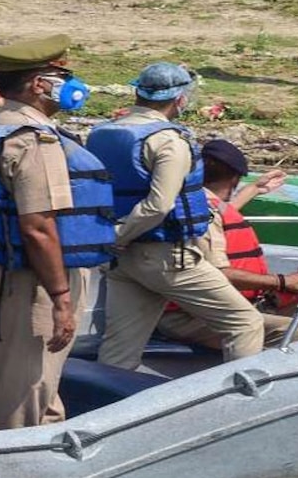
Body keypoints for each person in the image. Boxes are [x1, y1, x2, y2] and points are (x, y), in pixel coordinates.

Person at [0, 36, 116, 431]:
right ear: (39, 85)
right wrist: (62, 299)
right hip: (33, 284)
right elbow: (39, 227)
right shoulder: (34, 141)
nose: (71, 83)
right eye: (62, 75)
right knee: (24, 395)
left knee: (43, 387)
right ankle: (7, 472)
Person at [86, 63, 264, 368]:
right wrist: (118, 236)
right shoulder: (169, 140)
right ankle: (239, 407)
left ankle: (100, 410)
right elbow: (159, 205)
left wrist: (110, 237)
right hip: (167, 259)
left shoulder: (101, 133)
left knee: (119, 350)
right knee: (245, 323)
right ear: (180, 99)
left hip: (123, 261)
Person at [157, 139, 298, 349]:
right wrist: (283, 282)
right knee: (292, 330)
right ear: (234, 179)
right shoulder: (200, 213)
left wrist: (255, 189)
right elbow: (218, 274)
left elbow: (222, 214)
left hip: (236, 303)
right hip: (191, 315)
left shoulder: (200, 206)